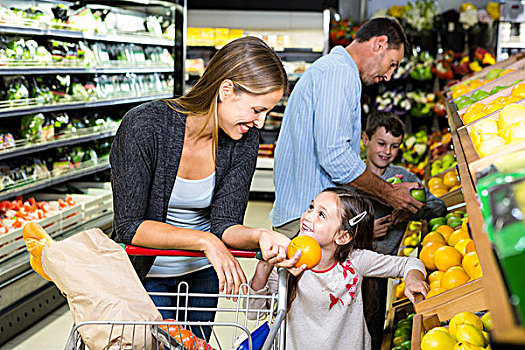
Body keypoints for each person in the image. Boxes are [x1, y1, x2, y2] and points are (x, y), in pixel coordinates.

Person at [110, 36, 294, 340]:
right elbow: (130, 226)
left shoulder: (242, 141)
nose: (260, 122)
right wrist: (206, 241)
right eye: (256, 109)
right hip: (146, 274)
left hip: (202, 278)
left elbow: (224, 225)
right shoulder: (145, 127)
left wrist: (259, 235)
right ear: (226, 90)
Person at [271, 17, 423, 238]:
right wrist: (388, 193)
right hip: (310, 219)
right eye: (392, 63)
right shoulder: (338, 73)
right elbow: (335, 156)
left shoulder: (338, 71)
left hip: (311, 215)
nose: (389, 76)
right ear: (379, 44)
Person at [248, 187, 429, 350]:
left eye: (321, 215)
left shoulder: (355, 261)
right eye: (311, 207)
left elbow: (410, 263)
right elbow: (252, 310)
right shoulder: (285, 263)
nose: (308, 216)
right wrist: (265, 265)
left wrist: (412, 279)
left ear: (343, 237)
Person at [362, 111, 447, 349]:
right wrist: (365, 230)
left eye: (394, 146)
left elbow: (438, 206)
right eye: (381, 143)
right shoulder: (356, 178)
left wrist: (409, 209)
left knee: (373, 324)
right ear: (366, 140)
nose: (386, 151)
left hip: (380, 269)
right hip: (350, 262)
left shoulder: (404, 178)